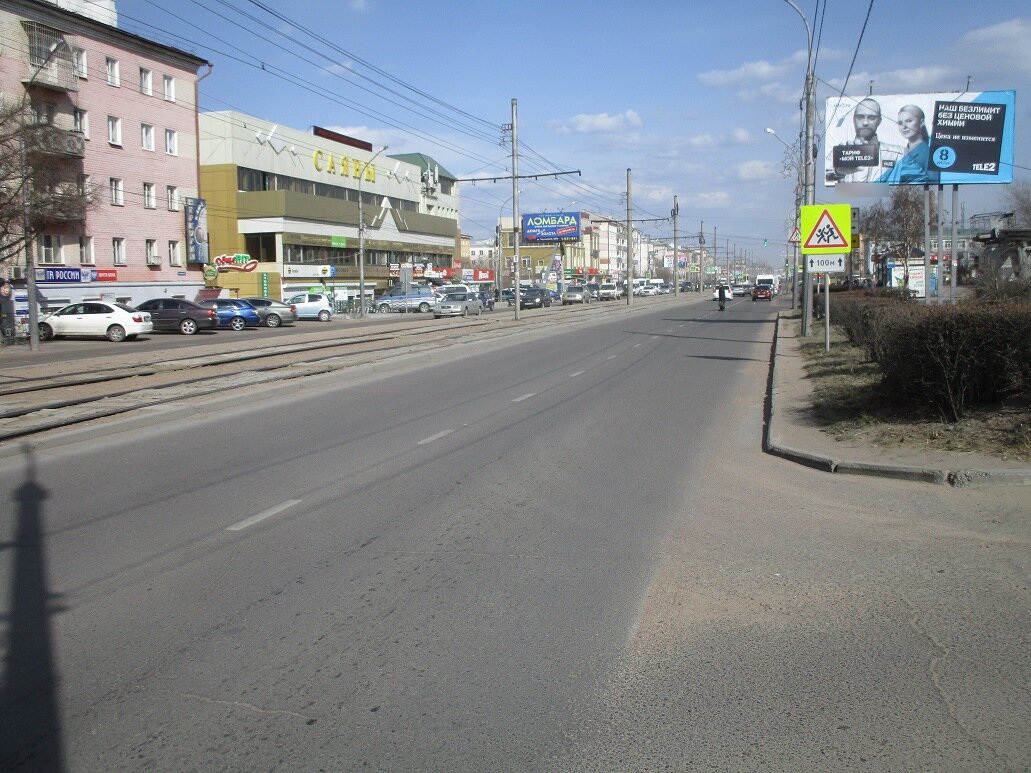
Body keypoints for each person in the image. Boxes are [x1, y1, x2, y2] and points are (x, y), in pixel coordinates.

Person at [827, 98, 904, 183]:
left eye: (871, 118)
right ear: (854, 120)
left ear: (879, 121)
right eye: (860, 117)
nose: (865, 123)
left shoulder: (896, 155)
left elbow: (910, 181)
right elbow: (822, 178)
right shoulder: (838, 154)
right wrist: (838, 171)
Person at [883, 104, 938, 184]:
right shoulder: (900, 152)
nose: (904, 126)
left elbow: (934, 185)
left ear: (921, 122)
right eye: (900, 123)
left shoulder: (930, 154)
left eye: (909, 121)